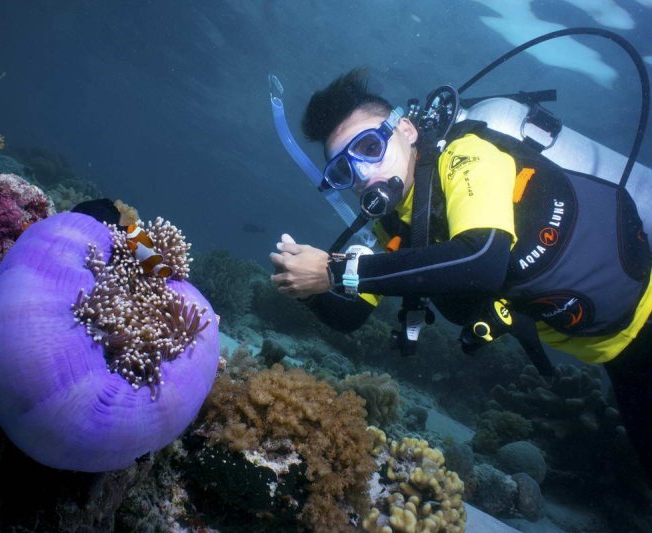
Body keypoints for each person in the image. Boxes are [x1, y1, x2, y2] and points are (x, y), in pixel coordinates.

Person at [269, 68, 652, 482]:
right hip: (615, 355)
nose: (361, 174)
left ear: (407, 129)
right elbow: (352, 315)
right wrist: (304, 286)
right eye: (343, 171)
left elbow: (482, 259)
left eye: (368, 147)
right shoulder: (395, 223)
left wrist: (334, 271)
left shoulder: (466, 156)